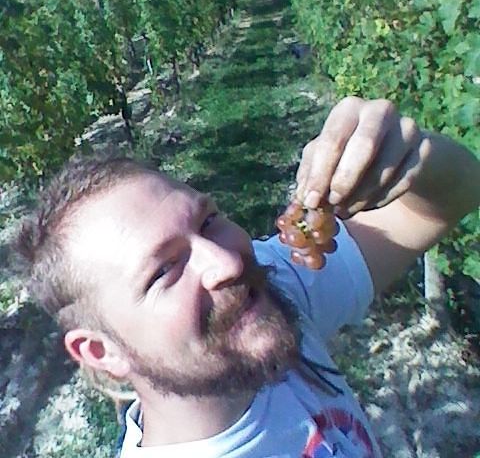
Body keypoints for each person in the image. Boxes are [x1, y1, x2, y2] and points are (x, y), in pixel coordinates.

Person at [13, 97, 480, 458]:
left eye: (208, 220)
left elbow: (455, 192)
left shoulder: (272, 296)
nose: (228, 264)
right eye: (164, 271)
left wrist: (408, 157)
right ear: (101, 352)